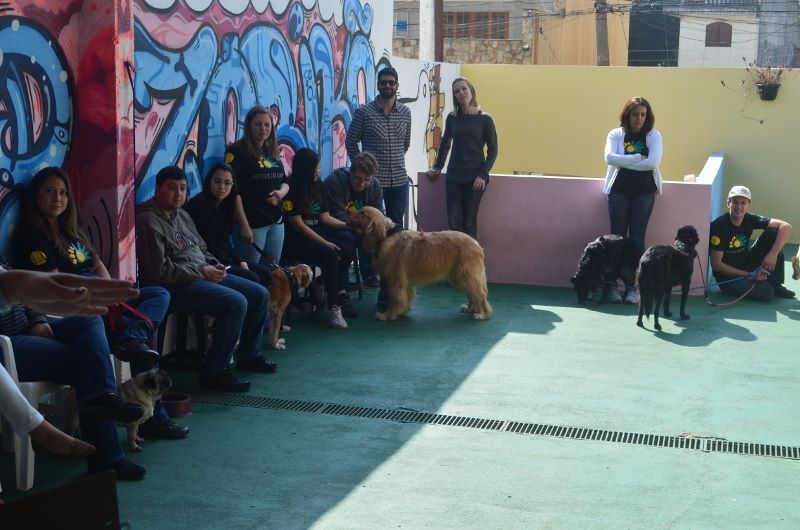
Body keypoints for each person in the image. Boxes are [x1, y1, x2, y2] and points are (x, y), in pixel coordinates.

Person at [0, 259, 147, 480]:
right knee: (90, 362)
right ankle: (107, 457)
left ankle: (104, 401)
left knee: (89, 322)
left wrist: (38, 320)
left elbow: (25, 296)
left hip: (29, 330)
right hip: (8, 343)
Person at [136, 166, 275, 392]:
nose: (179, 194)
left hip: (203, 274)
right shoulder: (148, 220)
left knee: (260, 294)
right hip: (175, 287)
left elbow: (201, 248)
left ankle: (250, 355)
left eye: (183, 188)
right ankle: (215, 372)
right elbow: (158, 272)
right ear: (158, 188)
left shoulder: (182, 215)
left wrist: (214, 264)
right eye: (172, 188)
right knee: (236, 302)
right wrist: (203, 271)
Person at [14, 167, 170, 366]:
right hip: (78, 304)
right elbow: (58, 285)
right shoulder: (33, 237)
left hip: (100, 296)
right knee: (137, 339)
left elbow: (97, 263)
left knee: (159, 294)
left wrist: (110, 294)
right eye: (50, 191)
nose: (57, 198)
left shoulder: (72, 231)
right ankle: (133, 342)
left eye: (63, 192)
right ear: (36, 195)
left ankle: (132, 338)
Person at [283, 148, 357, 328]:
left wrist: (348, 225)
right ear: (305, 169)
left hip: (317, 233)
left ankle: (323, 283)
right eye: (315, 168)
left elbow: (325, 218)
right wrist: (324, 243)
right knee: (330, 254)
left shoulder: (320, 185)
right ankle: (333, 308)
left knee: (347, 251)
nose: (318, 171)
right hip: (297, 239)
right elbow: (298, 225)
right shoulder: (290, 187)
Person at [602, 96, 663, 304]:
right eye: (635, 114)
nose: (639, 118)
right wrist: (638, 158)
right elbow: (609, 158)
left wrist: (624, 161)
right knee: (616, 238)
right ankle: (610, 287)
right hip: (618, 192)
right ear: (627, 115)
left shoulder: (654, 136)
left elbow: (652, 163)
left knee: (636, 240)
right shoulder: (615, 134)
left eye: (643, 114)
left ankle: (633, 288)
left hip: (644, 193)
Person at [427, 77, 498, 239]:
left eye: (464, 89)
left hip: (475, 179)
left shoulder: (485, 119)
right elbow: (445, 144)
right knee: (454, 223)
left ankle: (470, 256)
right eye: (457, 91)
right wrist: (437, 167)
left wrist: (483, 174)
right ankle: (456, 256)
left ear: (471, 90)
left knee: (469, 224)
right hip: (454, 177)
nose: (461, 93)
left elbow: (493, 150)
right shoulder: (452, 118)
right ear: (454, 96)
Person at [185, 162, 273, 288]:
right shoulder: (199, 206)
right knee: (253, 278)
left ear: (232, 185)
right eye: (217, 181)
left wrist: (240, 260)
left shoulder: (226, 205)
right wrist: (236, 263)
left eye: (227, 183)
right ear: (209, 181)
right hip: (209, 262)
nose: (222, 187)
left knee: (266, 274)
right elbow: (209, 248)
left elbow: (226, 243)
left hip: (225, 258)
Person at [346, 67, 412, 228]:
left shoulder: (405, 112)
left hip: (399, 180)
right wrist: (362, 168)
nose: (387, 86)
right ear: (378, 85)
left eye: (391, 83)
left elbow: (405, 144)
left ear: (397, 85)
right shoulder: (364, 113)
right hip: (372, 181)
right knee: (370, 225)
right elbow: (350, 142)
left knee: (396, 226)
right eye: (383, 83)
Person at [225, 106, 289, 265]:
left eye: (267, 124)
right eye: (258, 124)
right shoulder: (237, 151)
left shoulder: (271, 149)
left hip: (275, 221)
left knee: (274, 269)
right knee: (251, 269)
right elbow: (234, 192)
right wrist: (244, 225)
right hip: (252, 223)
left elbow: (285, 181)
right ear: (249, 126)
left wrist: (280, 193)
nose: (263, 128)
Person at [709, 185, 794, 301]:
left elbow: (786, 226)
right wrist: (748, 275)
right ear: (728, 203)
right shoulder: (719, 226)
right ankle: (766, 282)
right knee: (767, 291)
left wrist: (772, 255)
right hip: (728, 277)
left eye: (743, 203)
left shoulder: (749, 219)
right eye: (735, 202)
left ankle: (776, 284)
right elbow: (716, 265)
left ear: (749, 205)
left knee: (773, 232)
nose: (739, 206)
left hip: (746, 263)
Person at [324, 151, 383, 287]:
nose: (362, 183)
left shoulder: (375, 186)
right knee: (347, 237)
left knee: (375, 234)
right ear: (351, 173)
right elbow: (337, 215)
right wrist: (359, 228)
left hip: (360, 227)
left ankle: (371, 274)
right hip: (336, 226)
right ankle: (341, 285)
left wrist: (366, 229)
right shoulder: (335, 182)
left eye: (367, 180)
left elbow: (378, 215)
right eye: (358, 178)